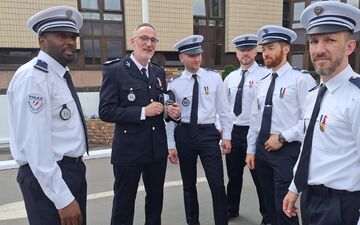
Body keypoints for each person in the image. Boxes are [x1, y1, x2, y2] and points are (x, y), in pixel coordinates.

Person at [7, 5, 87, 225]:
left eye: (73, 36)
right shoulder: (35, 77)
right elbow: (36, 145)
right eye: (61, 36)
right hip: (49, 177)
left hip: (70, 172)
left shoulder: (58, 74)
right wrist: (61, 198)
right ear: (42, 41)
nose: (70, 41)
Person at [283, 2, 360, 225]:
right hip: (311, 200)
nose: (318, 49)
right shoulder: (314, 95)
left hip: (343, 207)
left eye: (330, 40)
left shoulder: (356, 97)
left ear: (349, 47)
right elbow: (309, 148)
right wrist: (295, 188)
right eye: (314, 41)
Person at [98, 23, 181, 225]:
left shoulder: (157, 72)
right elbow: (105, 111)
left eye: (153, 40)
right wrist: (142, 111)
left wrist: (172, 113)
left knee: (155, 202)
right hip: (129, 151)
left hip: (155, 150)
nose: (149, 43)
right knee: (124, 203)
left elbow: (162, 105)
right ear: (133, 42)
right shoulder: (116, 70)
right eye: (144, 38)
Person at [245, 25, 316, 225]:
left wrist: (283, 137)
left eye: (271, 48)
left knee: (285, 208)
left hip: (286, 150)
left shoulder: (301, 79)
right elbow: (255, 120)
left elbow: (309, 120)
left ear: (285, 49)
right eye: (264, 48)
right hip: (262, 149)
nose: (265, 53)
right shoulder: (263, 82)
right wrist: (251, 150)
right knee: (269, 206)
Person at [166, 35, 233, 225]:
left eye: (198, 54)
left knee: (217, 185)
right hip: (184, 134)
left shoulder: (214, 78)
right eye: (191, 55)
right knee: (189, 186)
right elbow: (170, 118)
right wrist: (171, 145)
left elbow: (224, 110)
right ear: (181, 57)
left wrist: (226, 136)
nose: (196, 58)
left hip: (208, 135)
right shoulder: (175, 83)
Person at [223, 34, 271, 224]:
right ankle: (231, 209)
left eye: (249, 49)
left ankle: (267, 216)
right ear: (236, 53)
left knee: (260, 178)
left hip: (255, 133)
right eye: (242, 50)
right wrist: (224, 132)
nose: (246, 53)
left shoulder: (265, 75)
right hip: (234, 133)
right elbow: (224, 108)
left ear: (255, 51)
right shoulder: (230, 78)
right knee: (233, 176)